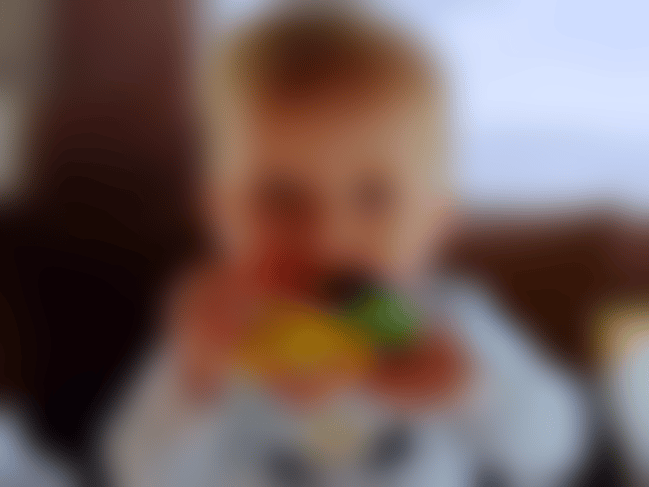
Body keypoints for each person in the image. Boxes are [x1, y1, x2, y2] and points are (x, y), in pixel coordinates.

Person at [102, 6, 593, 486]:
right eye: (279, 198)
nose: (327, 236)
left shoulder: (450, 322)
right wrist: (194, 381)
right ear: (220, 215)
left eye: (374, 197)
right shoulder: (217, 336)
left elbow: (554, 453)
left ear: (436, 220)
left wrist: (472, 390)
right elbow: (134, 473)